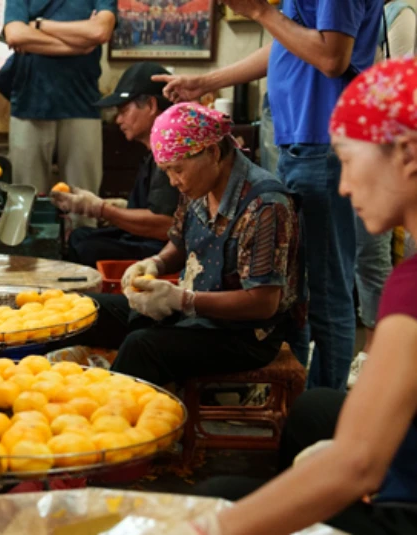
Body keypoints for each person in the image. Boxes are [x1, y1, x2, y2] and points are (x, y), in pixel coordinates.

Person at [165, 57, 417, 535]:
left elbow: (356, 465)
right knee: (317, 408)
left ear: (406, 154)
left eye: (345, 159)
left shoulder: (411, 285)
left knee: (219, 497)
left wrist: (211, 529)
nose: (342, 185)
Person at [155, 0, 383, 391]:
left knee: (326, 294)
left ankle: (321, 414)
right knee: (297, 290)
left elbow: (331, 57)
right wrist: (210, 82)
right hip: (300, 142)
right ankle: (301, 399)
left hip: (321, 144)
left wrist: (261, 12)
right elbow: (289, 41)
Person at [61, 103, 302, 387]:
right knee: (84, 311)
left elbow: (263, 303)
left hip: (243, 335)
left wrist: (183, 300)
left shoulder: (265, 205)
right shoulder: (198, 186)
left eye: (177, 170)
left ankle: (119, 424)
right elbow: (179, 243)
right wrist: (155, 263)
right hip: (195, 311)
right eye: (166, 171)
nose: (173, 181)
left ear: (212, 152)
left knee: (143, 347)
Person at [50, 62, 179, 268]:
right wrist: (115, 206)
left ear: (151, 106)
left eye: (124, 110)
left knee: (88, 248)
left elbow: (165, 225)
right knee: (79, 236)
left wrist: (100, 210)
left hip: (161, 250)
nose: (118, 120)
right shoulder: (152, 151)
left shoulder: (171, 152)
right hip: (142, 239)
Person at [350, 0, 417, 387]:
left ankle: (376, 349)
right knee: (363, 253)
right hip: (370, 141)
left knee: (374, 254)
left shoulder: (401, 13)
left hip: (387, 146)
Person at [3, 0, 116, 200]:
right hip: (29, 104)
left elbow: (100, 31)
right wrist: (79, 45)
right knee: (26, 204)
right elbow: (15, 34)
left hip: (82, 105)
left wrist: (39, 25)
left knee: (85, 206)